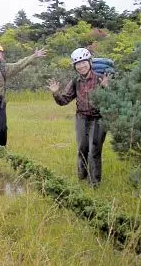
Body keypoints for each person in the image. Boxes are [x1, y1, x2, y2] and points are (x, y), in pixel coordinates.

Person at [47, 48, 110, 187]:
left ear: (90, 62)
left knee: (94, 150)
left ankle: (94, 183)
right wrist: (56, 93)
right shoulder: (76, 81)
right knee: (82, 148)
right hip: (82, 118)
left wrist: (105, 88)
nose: (81, 66)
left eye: (83, 62)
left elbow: (111, 100)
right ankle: (82, 178)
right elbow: (64, 101)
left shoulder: (101, 78)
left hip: (99, 118)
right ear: (75, 66)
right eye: (78, 64)